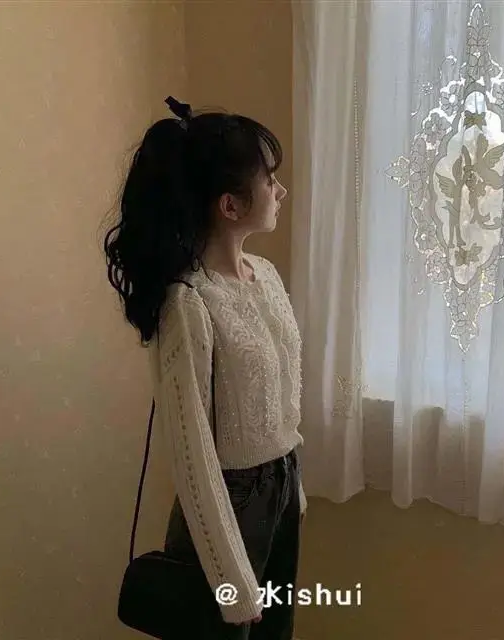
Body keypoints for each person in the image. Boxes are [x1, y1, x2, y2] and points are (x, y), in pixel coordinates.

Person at [104, 96, 307, 639]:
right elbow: (192, 451)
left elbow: (282, 392)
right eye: (269, 179)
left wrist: (291, 489)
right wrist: (230, 579)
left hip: (281, 487)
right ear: (230, 205)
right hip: (226, 507)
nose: (280, 191)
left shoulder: (265, 275)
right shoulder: (189, 302)